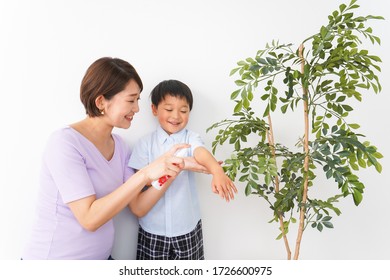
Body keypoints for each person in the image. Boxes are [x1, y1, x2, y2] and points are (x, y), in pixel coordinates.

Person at [21, 57, 206, 260]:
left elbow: (139, 207)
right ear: (101, 101)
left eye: (137, 100)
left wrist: (172, 169)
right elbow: (89, 218)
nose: (136, 108)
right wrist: (146, 174)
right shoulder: (64, 143)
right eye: (130, 100)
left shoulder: (120, 147)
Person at [128, 79, 238, 260]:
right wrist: (171, 169)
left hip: (186, 228)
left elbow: (201, 153)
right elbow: (140, 182)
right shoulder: (145, 144)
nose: (176, 116)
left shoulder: (191, 138)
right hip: (153, 231)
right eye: (169, 109)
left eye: (183, 111)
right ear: (154, 109)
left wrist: (217, 172)